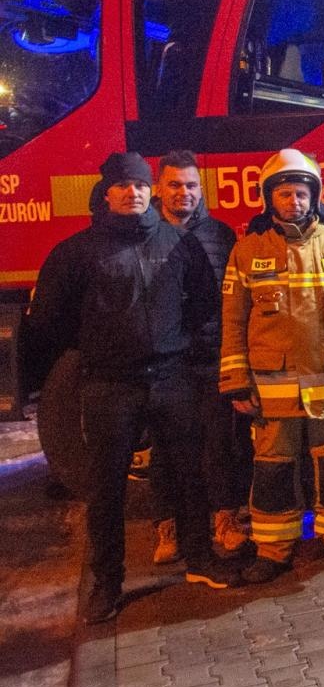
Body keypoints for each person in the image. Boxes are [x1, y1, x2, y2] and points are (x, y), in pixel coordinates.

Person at [22, 152, 232, 623]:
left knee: (188, 473)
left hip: (171, 379)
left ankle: (200, 559)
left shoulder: (179, 243)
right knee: (106, 488)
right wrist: (99, 348)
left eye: (140, 186)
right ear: (108, 193)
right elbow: (49, 321)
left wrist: (174, 342)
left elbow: (203, 302)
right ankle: (107, 583)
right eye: (124, 186)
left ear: (149, 190)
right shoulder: (76, 251)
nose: (134, 193)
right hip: (109, 386)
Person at [220, 149, 324, 583]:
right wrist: (236, 381)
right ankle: (273, 548)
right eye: (286, 194)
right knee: (272, 468)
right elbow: (233, 318)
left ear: (315, 197)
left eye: (301, 193)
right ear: (269, 199)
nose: (294, 201)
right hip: (271, 390)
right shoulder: (247, 252)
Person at [154, 151, 247, 560]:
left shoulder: (221, 235)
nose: (184, 193)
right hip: (164, 363)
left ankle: (225, 518)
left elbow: (236, 299)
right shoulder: (148, 234)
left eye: (191, 185)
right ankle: (167, 528)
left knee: (218, 443)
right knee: (165, 445)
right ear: (160, 189)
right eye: (175, 185)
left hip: (211, 356)